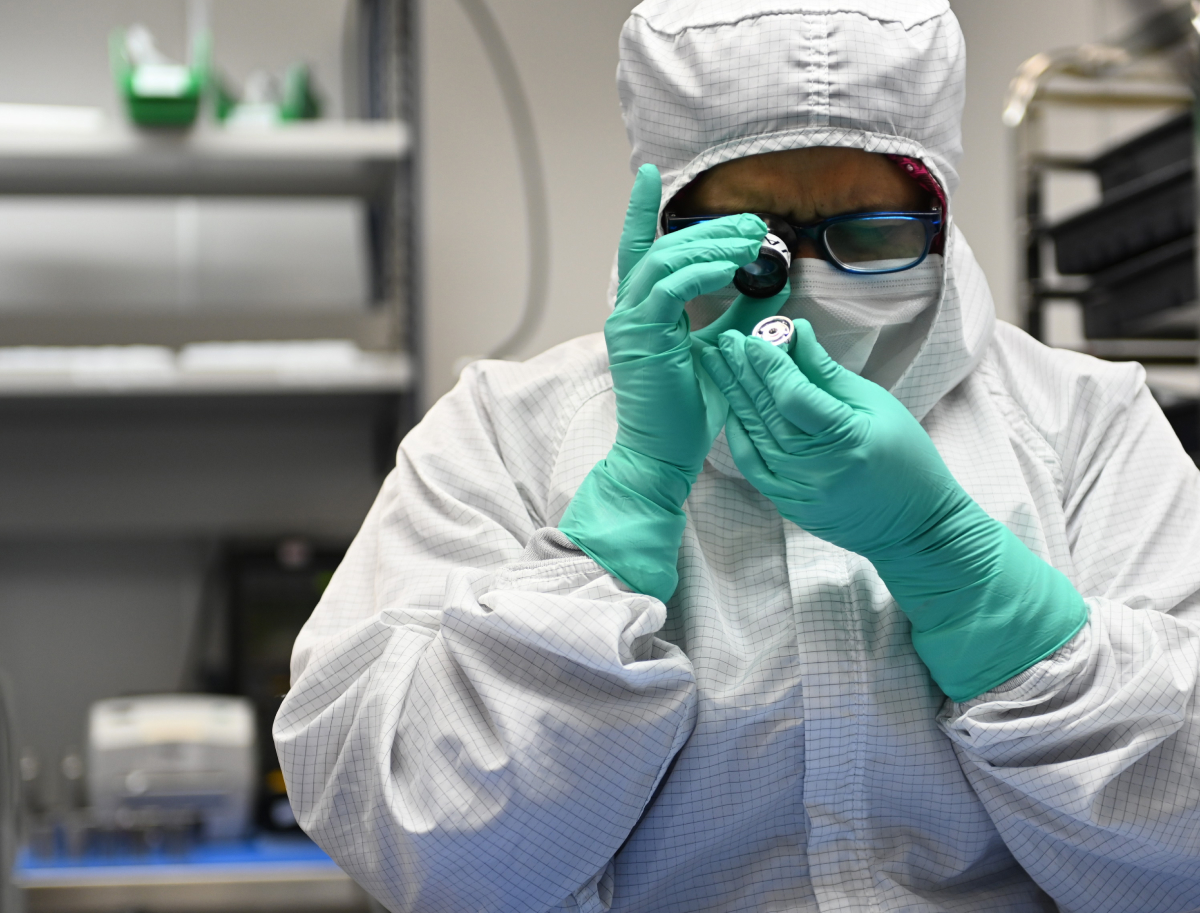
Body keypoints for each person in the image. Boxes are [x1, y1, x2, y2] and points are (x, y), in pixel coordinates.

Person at [273, 1, 1200, 910]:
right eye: (752, 243)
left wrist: (955, 564)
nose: (806, 287)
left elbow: (1178, 862)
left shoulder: (1084, 421)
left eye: (870, 232)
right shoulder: (505, 433)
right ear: (667, 222)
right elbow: (428, 852)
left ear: (939, 218)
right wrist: (626, 510)